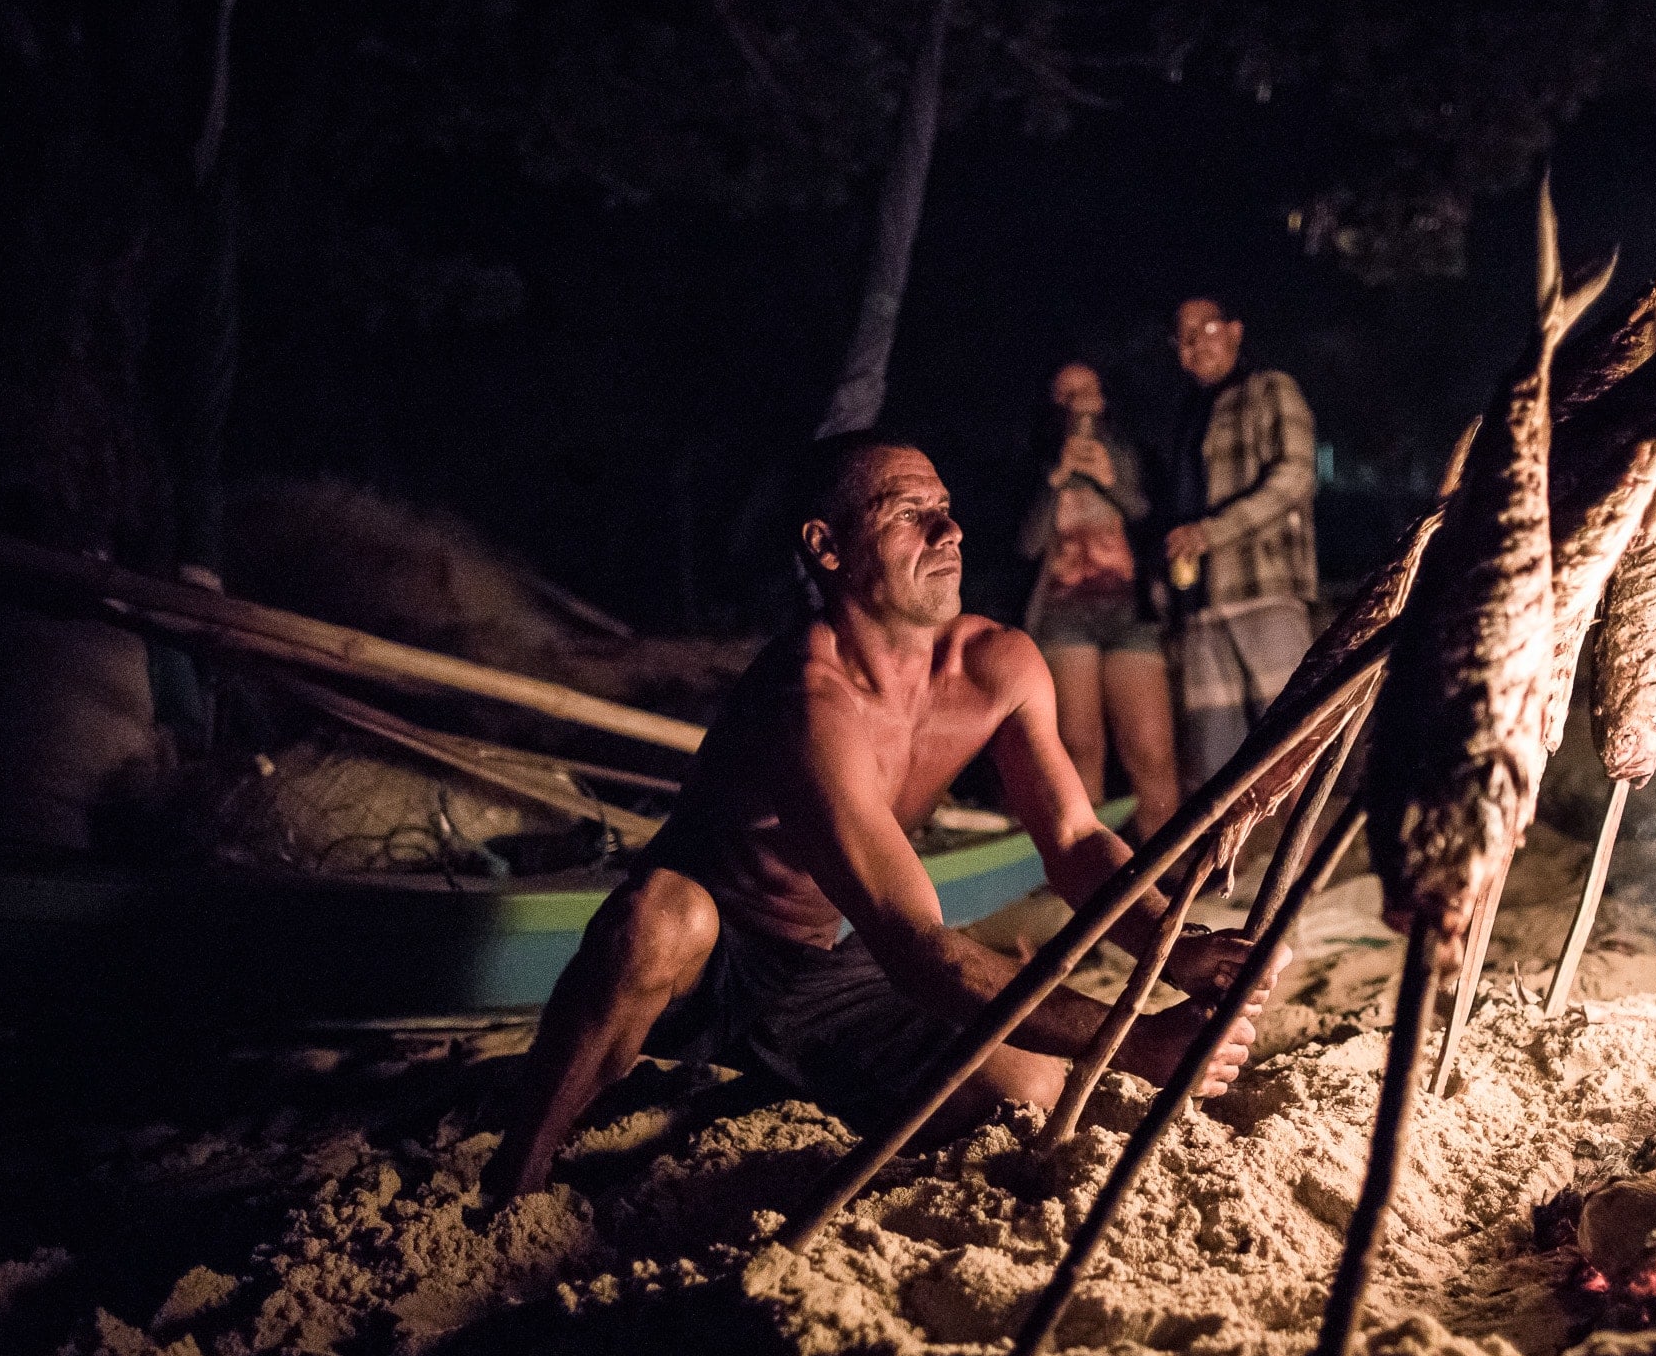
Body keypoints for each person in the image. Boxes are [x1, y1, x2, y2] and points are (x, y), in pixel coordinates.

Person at [483, 433, 1281, 1202]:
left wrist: (1178, 948)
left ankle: (778, 1079)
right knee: (662, 915)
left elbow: (1074, 842)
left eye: (947, 507)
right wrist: (1135, 1044)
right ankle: (517, 1173)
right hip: (708, 970)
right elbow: (921, 951)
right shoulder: (809, 700)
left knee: (1029, 1088)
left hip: (831, 965)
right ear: (827, 548)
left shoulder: (996, 664)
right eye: (909, 513)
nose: (950, 530)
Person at [1018, 362, 1179, 837]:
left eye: (1084, 391)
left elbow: (1157, 523)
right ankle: (1093, 876)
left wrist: (1113, 482)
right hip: (1064, 615)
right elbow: (1027, 545)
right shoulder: (1038, 460)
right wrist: (1056, 479)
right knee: (1080, 746)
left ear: (1104, 398)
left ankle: (1166, 868)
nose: (1075, 403)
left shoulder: (1134, 454)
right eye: (1064, 394)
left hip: (1132, 613)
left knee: (1151, 749)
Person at [1162, 297, 1318, 788]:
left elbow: (1295, 477)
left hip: (1264, 590)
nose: (1192, 346)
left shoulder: (1270, 388)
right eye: (1182, 339)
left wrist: (1210, 533)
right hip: (1201, 605)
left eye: (1203, 330)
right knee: (1214, 767)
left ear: (1233, 331)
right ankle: (1229, 866)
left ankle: (1310, 863)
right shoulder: (1189, 415)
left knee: (1292, 744)